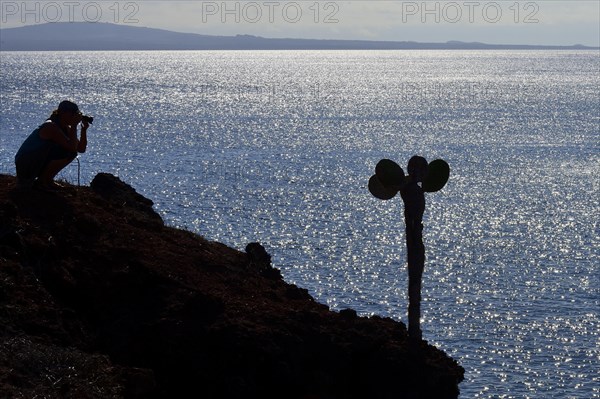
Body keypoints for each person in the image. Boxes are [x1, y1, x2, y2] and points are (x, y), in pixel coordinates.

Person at [15, 100, 89, 189]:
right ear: (62, 113)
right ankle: (42, 181)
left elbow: (81, 149)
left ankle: (47, 180)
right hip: (26, 162)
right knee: (68, 152)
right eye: (72, 113)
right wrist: (74, 126)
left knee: (70, 153)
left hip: (36, 160)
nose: (74, 116)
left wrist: (83, 130)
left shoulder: (65, 128)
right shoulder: (51, 126)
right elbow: (72, 148)